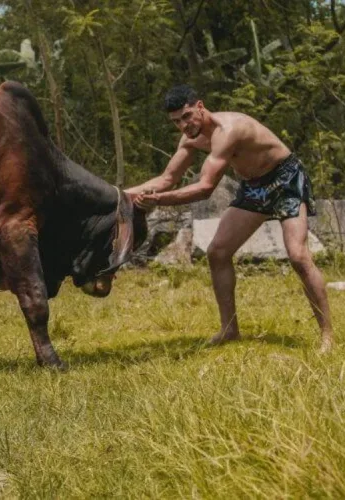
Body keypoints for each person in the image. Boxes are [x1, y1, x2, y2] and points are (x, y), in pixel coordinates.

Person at [126, 84, 333, 353]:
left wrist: (159, 201)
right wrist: (120, 195)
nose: (184, 125)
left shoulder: (229, 130)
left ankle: (327, 335)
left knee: (298, 257)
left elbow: (205, 188)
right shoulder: (190, 138)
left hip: (285, 179)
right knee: (218, 252)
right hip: (254, 187)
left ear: (200, 106)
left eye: (187, 116)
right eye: (176, 121)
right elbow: (167, 179)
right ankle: (229, 330)